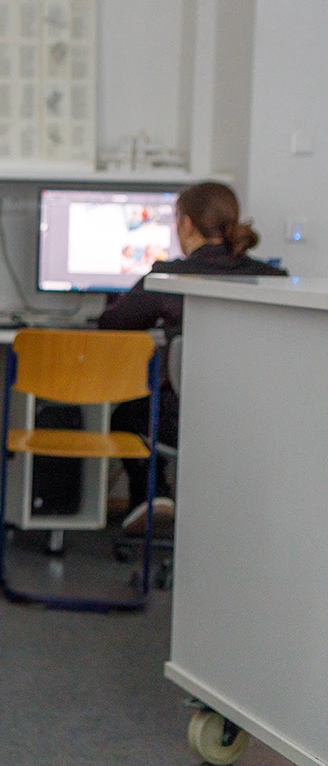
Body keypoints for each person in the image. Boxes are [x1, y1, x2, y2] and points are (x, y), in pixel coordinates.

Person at [99, 181, 286, 533]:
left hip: (185, 419)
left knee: (128, 413)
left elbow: (112, 323)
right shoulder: (273, 277)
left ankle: (153, 496)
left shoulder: (171, 276)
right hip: (258, 421)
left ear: (186, 224)